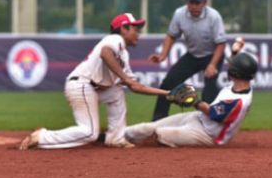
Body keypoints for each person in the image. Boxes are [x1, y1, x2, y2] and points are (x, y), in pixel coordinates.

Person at [19, 13, 171, 150]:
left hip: (93, 88)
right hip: (82, 85)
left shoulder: (123, 54)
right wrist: (124, 78)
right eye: (135, 29)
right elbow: (106, 53)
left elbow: (136, 86)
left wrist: (168, 94)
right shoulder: (115, 39)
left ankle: (116, 138)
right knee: (90, 133)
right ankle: (42, 137)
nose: (138, 33)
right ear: (124, 28)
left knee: (117, 91)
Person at [125, 38, 257, 148]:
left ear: (235, 73)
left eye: (231, 67)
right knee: (149, 127)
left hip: (207, 135)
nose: (228, 68)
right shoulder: (241, 84)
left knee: (159, 134)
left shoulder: (240, 102)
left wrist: (194, 100)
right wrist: (235, 53)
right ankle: (118, 135)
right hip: (198, 117)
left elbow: (213, 113)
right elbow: (239, 68)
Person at [149, 0, 227, 121]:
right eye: (191, 2)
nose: (194, 6)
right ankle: (158, 119)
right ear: (187, 2)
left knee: (210, 90)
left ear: (204, 3)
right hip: (192, 55)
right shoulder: (179, 14)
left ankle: (209, 122)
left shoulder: (214, 16)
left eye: (197, 3)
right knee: (168, 83)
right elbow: (171, 35)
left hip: (212, 56)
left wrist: (212, 65)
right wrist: (163, 55)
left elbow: (221, 44)